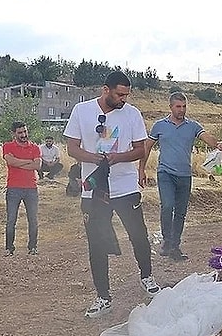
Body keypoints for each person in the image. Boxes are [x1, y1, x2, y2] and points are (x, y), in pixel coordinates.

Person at [64, 71, 160, 318]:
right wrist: (96, 159)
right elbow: (72, 148)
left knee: (138, 235)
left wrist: (118, 158)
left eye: (127, 95)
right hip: (94, 189)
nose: (123, 99)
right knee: (96, 243)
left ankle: (147, 277)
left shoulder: (132, 114)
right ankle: (103, 296)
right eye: (119, 94)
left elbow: (140, 150)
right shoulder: (81, 111)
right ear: (105, 89)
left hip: (126, 187)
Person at [139, 91, 222, 261]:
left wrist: (218, 144)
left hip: (185, 175)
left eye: (184, 106)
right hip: (165, 173)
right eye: (178, 106)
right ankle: (166, 239)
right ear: (171, 107)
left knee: (180, 212)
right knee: (167, 205)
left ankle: (175, 247)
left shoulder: (192, 126)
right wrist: (141, 169)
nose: (182, 110)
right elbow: (147, 147)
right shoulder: (159, 126)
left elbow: (205, 136)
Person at [2, 121, 42, 256]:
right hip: (13, 188)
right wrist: (28, 161)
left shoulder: (35, 147)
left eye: (25, 131)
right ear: (14, 134)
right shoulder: (7, 146)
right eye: (20, 132)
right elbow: (10, 162)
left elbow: (37, 166)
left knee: (33, 219)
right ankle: (9, 248)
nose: (24, 135)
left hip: (31, 188)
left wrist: (18, 162)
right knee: (11, 219)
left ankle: (33, 247)